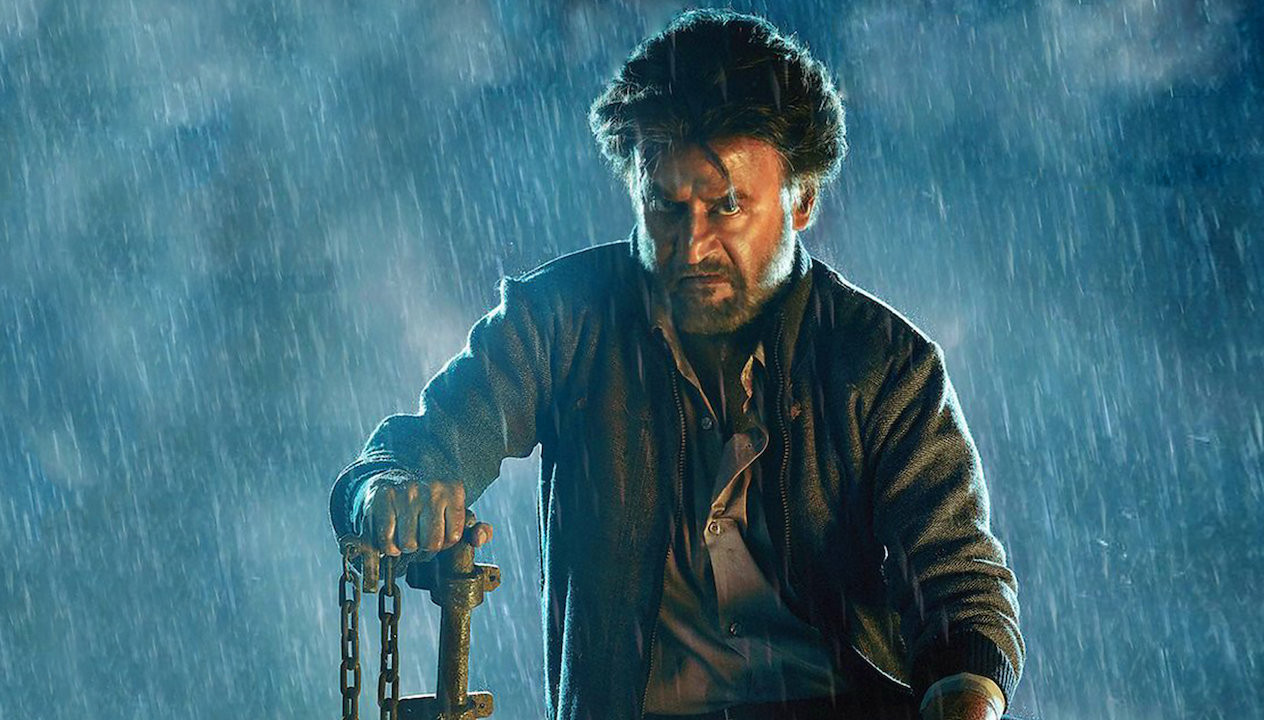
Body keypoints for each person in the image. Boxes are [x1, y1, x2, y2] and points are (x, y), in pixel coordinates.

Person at [330, 9, 1024, 720]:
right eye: (665, 205)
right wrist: (392, 494)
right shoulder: (561, 322)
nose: (692, 246)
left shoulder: (884, 365)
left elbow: (958, 590)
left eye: (727, 207)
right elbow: (413, 450)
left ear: (803, 200)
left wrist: (965, 696)